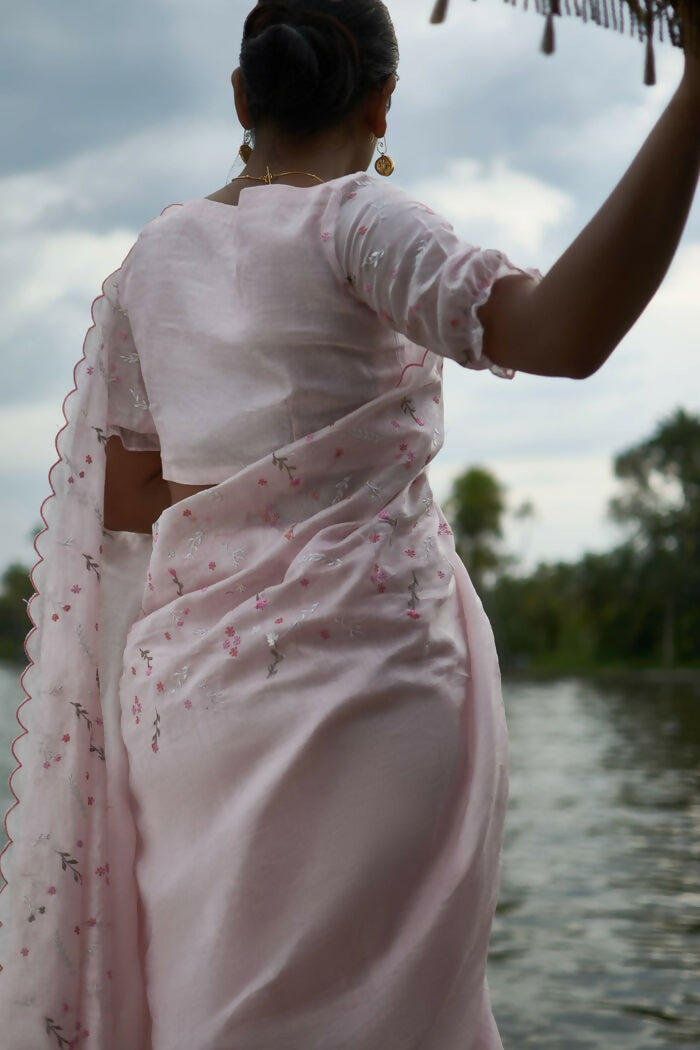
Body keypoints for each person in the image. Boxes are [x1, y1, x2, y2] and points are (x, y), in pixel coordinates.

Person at [0, 2, 697, 1048]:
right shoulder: (363, 223)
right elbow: (564, 335)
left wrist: (254, 486)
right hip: (368, 687)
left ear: (242, 97)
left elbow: (121, 492)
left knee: (213, 1006)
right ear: (382, 103)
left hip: (188, 705)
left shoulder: (156, 257)